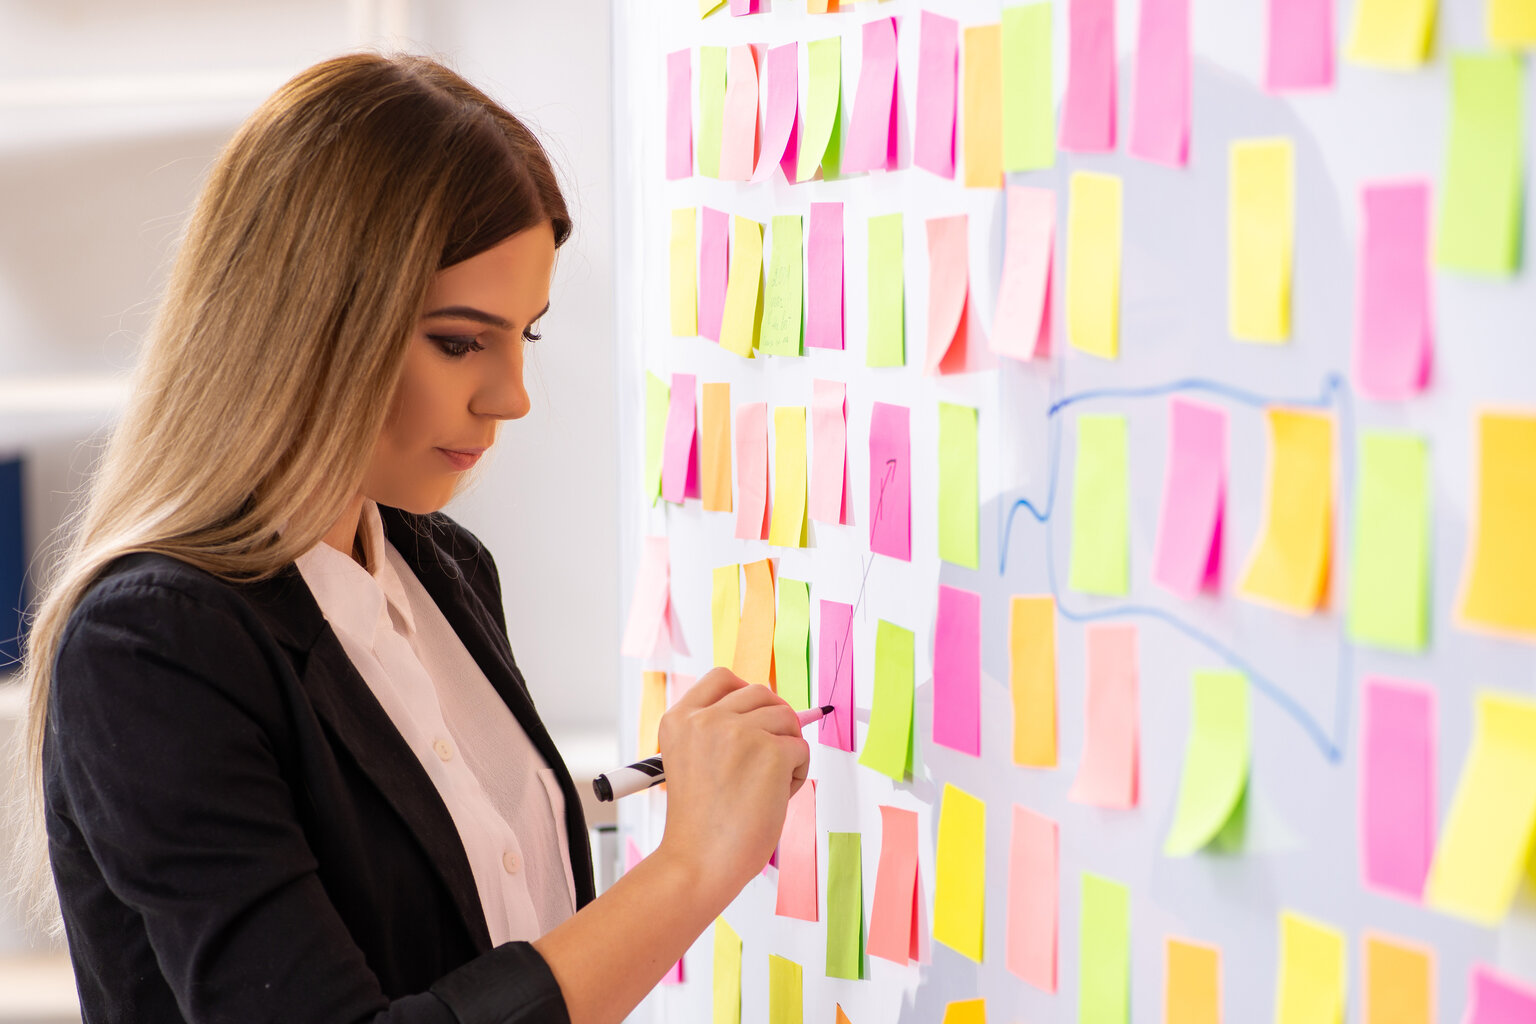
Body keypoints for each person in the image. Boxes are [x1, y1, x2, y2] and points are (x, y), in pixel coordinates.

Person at [6, 52, 810, 1023]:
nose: (511, 397)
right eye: (462, 341)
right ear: (312, 322)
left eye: (529, 336)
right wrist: (691, 865)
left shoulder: (442, 569)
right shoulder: (151, 648)